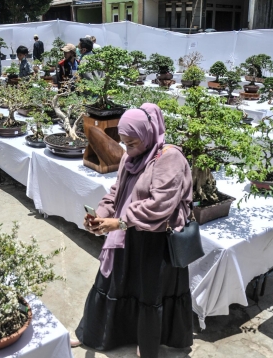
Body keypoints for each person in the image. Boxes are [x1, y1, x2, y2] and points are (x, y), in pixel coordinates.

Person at [74, 103, 194, 357]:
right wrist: (100, 215)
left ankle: (147, 342)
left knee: (149, 293)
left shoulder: (169, 158)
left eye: (132, 143)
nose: (127, 150)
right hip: (129, 233)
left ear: (149, 133)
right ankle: (96, 334)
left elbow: (160, 205)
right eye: (124, 143)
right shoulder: (132, 157)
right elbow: (118, 191)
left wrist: (119, 222)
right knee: (115, 282)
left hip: (155, 240)